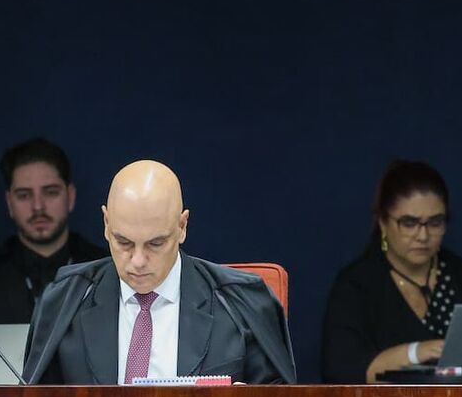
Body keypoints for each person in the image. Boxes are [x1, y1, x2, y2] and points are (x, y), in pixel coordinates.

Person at [22, 160, 296, 385]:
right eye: (123, 242)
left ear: (182, 226)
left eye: (155, 243)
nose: (138, 261)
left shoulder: (243, 303)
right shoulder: (65, 301)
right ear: (106, 224)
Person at [0, 138, 106, 376]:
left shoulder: (107, 273)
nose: (38, 206)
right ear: (9, 203)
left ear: (71, 196)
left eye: (50, 192)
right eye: (24, 195)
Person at [321, 160, 462, 383]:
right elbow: (340, 373)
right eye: (409, 223)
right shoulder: (356, 287)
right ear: (383, 223)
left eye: (435, 223)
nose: (423, 236)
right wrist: (415, 352)